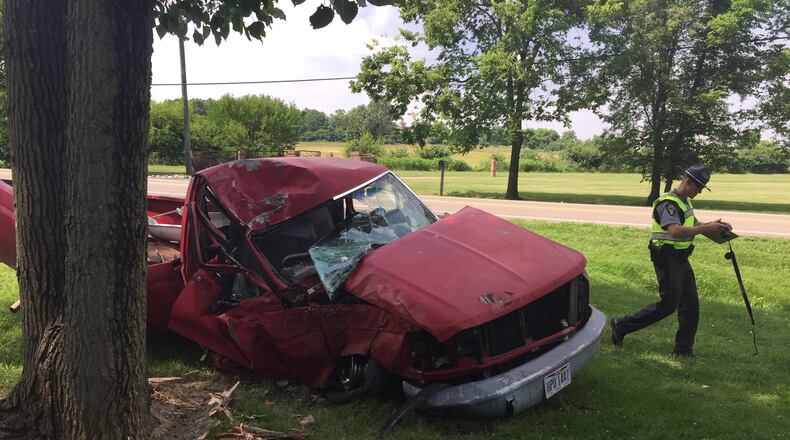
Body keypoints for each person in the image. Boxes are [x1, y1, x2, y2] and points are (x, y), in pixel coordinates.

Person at [610, 164, 732, 357]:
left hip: (681, 258)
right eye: (699, 187)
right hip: (667, 258)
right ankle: (621, 325)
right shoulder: (669, 204)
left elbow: (694, 224)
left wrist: (714, 226)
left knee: (691, 306)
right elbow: (675, 231)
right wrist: (705, 229)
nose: (700, 191)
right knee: (668, 305)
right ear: (688, 182)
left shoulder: (684, 202)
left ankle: (683, 350)